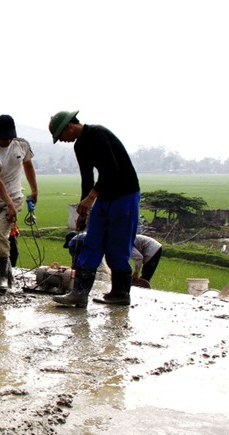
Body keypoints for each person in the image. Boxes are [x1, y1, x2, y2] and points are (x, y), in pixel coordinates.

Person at [49, 110, 140, 307]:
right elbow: (87, 178)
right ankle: (79, 293)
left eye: (60, 136)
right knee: (92, 241)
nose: (62, 140)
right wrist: (83, 208)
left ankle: (120, 293)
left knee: (118, 243)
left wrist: (91, 198)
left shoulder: (98, 134)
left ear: (69, 126)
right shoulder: (79, 146)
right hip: (104, 195)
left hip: (124, 194)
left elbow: (111, 169)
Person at [0, 115, 38, 293]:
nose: (7, 140)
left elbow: (28, 166)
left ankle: (2, 278)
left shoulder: (22, 144)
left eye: (10, 136)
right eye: (4, 137)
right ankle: (9, 272)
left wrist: (34, 190)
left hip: (15, 196)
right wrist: (8, 203)